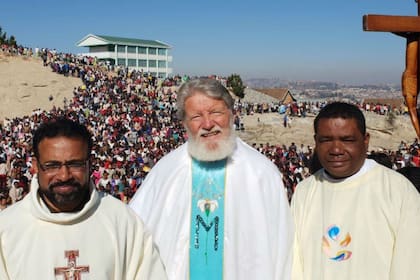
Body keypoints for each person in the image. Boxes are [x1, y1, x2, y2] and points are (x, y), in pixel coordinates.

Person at [129, 78, 293, 280]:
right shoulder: (166, 170)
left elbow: (282, 249)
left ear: (232, 114)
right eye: (196, 116)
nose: (208, 124)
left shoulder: (261, 173)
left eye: (216, 112)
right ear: (184, 123)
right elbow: (133, 234)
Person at [0, 118, 167, 279]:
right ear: (35, 166)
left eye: (75, 164)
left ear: (90, 164)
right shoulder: (7, 229)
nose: (64, 175)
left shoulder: (123, 222)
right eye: (52, 165)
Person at [291, 102, 420, 280]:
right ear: (316, 141)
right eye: (326, 140)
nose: (336, 150)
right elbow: (295, 263)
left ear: (365, 140)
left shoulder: (397, 191)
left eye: (347, 140)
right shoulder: (305, 192)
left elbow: (410, 266)